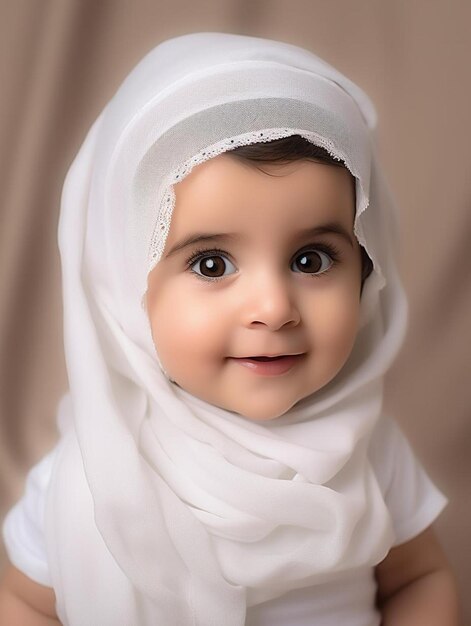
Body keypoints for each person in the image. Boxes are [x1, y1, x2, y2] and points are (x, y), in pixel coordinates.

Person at [0, 33, 460, 625]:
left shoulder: (365, 451)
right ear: (122, 284)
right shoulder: (91, 479)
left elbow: (418, 577)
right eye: (211, 264)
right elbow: (25, 603)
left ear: (367, 270)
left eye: (311, 259)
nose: (273, 308)